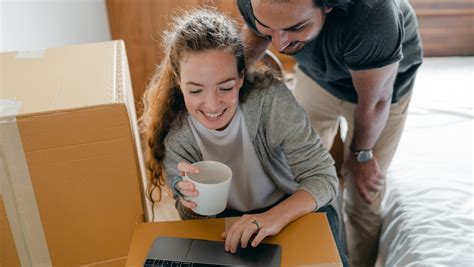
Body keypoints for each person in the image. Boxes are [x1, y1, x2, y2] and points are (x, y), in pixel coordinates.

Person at [139, 8, 349, 264]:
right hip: (229, 225)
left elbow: (324, 178)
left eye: (225, 87)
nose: (212, 105)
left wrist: (271, 218)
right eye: (195, 91)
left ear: (240, 77)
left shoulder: (270, 102)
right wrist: (190, 202)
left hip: (290, 209)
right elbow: (193, 221)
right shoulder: (176, 134)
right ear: (178, 81)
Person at [236, 0, 423, 266]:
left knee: (363, 197)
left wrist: (361, 155)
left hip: (381, 92)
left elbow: (376, 101)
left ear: (329, 5)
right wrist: (230, 79)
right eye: (268, 27)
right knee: (293, 176)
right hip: (318, 77)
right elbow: (253, 35)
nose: (279, 45)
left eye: (295, 27)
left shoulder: (373, 13)